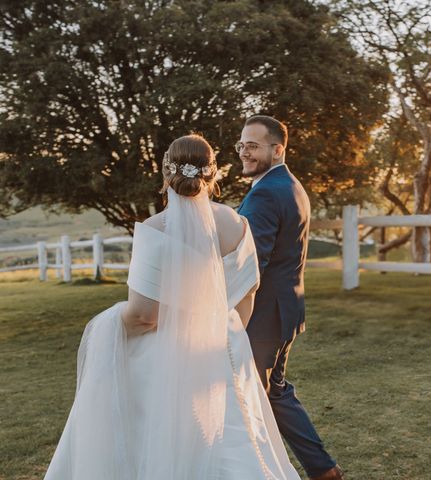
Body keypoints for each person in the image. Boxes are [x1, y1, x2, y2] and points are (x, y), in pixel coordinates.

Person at [44, 134, 301, 479]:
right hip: (224, 351)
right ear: (213, 174)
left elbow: (143, 316)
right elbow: (246, 297)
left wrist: (108, 320)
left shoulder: (155, 229)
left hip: (165, 356)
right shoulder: (239, 225)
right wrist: (222, 336)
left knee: (158, 439)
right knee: (235, 441)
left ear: (166, 175)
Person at [237, 116, 343, 480]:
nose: (244, 152)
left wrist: (224, 305)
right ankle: (323, 469)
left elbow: (252, 262)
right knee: (275, 393)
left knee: (254, 397)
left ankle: (269, 469)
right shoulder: (292, 185)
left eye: (253, 145)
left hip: (263, 315)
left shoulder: (267, 190)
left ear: (277, 149)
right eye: (241, 145)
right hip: (285, 310)